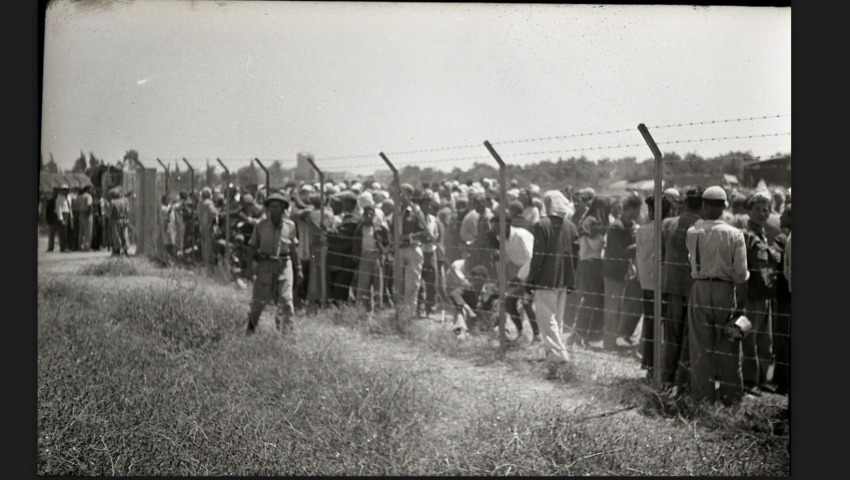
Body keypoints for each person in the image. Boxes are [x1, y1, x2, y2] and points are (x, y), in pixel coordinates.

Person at [686, 186, 749, 406]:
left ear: (703, 206)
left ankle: (703, 399)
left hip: (701, 288)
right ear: (725, 206)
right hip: (726, 290)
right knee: (729, 347)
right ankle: (731, 401)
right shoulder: (735, 234)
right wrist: (740, 308)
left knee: (701, 348)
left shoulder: (693, 232)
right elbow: (741, 276)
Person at [525, 190, 579, 380]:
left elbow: (538, 255)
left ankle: (561, 357)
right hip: (564, 279)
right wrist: (572, 279)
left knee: (547, 321)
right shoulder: (571, 226)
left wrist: (531, 278)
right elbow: (575, 256)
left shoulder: (542, 225)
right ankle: (554, 368)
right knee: (558, 320)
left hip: (545, 279)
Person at [660, 186, 703, 393]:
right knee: (689, 337)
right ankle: (682, 382)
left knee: (671, 337)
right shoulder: (703, 227)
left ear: (684, 202)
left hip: (672, 286)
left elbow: (659, 254)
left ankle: (666, 378)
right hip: (694, 288)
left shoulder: (668, 224)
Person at [741, 191, 782, 396]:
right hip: (752, 295)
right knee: (750, 337)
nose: (761, 213)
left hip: (765, 294)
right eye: (757, 209)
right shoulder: (746, 236)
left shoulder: (763, 235)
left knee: (766, 339)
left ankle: (763, 378)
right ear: (748, 211)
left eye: (765, 210)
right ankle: (750, 381)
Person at [245, 192, 303, 336]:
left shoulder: (290, 227)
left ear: (283, 208)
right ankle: (250, 329)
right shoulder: (261, 226)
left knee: (286, 300)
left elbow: (293, 250)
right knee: (259, 301)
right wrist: (249, 267)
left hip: (284, 265)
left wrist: (298, 268)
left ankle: (286, 334)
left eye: (276, 207)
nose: (273, 210)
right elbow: (252, 246)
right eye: (271, 207)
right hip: (265, 265)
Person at [634, 195, 672, 380]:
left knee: (651, 326)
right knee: (667, 327)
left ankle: (650, 366)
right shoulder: (668, 229)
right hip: (665, 284)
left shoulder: (643, 230)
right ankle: (662, 366)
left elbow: (639, 256)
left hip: (648, 284)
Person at [487, 207, 538, 342]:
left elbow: (532, 258)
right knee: (510, 301)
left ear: (506, 224)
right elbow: (510, 260)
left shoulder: (521, 235)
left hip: (535, 271)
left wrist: (519, 277)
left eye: (496, 225)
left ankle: (537, 336)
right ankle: (521, 333)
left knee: (527, 303)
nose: (494, 229)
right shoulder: (503, 239)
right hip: (523, 272)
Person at [602, 194, 644, 351]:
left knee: (620, 308)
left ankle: (614, 339)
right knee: (612, 309)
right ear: (631, 209)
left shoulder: (629, 225)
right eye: (638, 209)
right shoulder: (617, 227)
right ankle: (609, 342)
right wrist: (637, 245)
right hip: (613, 274)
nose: (639, 213)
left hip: (623, 273)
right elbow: (616, 252)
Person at [572, 190, 608, 346]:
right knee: (589, 300)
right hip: (590, 264)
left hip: (593, 264)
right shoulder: (590, 221)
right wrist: (602, 239)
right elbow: (594, 246)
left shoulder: (591, 220)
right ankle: (579, 333)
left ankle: (591, 333)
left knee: (595, 300)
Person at [396, 184, 432, 320]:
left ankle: (408, 317)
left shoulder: (416, 211)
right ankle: (398, 314)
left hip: (412, 250)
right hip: (398, 250)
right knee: (397, 285)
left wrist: (408, 237)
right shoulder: (397, 211)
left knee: (411, 286)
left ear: (409, 195)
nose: (399, 195)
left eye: (402, 193)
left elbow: (425, 234)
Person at [352, 205, 390, 312]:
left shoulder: (380, 229)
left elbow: (388, 245)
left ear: (374, 216)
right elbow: (355, 244)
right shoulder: (359, 229)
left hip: (377, 257)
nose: (368, 217)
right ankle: (362, 309)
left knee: (378, 284)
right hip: (364, 257)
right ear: (363, 215)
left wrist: (383, 252)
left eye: (371, 214)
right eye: (366, 214)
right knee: (363, 284)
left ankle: (378, 308)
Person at [326, 191, 361, 305]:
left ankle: (340, 308)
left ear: (348, 203)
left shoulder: (353, 219)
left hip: (346, 257)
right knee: (338, 284)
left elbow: (340, 235)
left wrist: (326, 230)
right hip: (340, 257)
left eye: (342, 202)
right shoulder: (348, 217)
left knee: (341, 286)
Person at [197, 187, 219, 270]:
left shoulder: (200, 203)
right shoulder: (209, 203)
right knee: (208, 244)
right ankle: (209, 263)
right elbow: (214, 213)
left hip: (202, 225)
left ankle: (205, 261)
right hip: (208, 226)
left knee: (203, 244)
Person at [109, 186, 131, 256]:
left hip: (116, 220)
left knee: (116, 235)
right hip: (124, 219)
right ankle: (125, 250)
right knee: (125, 234)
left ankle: (117, 250)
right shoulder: (125, 201)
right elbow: (127, 211)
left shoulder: (113, 202)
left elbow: (109, 213)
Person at [75, 185, 94, 251]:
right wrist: (89, 213)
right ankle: (86, 246)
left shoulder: (79, 196)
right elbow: (89, 205)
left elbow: (76, 206)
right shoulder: (88, 196)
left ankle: (80, 246)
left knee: (81, 231)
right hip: (87, 213)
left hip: (80, 213)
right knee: (88, 231)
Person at [55, 184, 73, 252]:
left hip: (67, 214)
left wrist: (71, 216)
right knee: (63, 232)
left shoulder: (68, 197)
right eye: (64, 190)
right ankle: (63, 247)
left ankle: (68, 246)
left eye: (67, 190)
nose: (66, 191)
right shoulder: (59, 197)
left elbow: (70, 207)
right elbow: (58, 208)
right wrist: (61, 219)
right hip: (63, 214)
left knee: (68, 231)